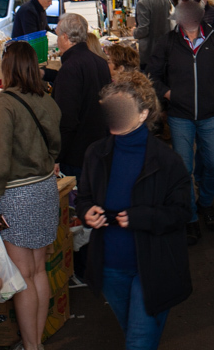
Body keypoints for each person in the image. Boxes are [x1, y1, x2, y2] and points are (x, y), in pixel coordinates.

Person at [77, 73, 193, 350]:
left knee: (139, 343)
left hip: (153, 266)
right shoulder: (96, 153)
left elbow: (181, 211)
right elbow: (84, 197)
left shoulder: (167, 161)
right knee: (134, 334)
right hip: (110, 267)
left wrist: (143, 217)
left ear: (143, 114)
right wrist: (85, 211)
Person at [0, 41, 62, 350]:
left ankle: (31, 346)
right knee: (38, 271)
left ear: (8, 68)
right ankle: (36, 342)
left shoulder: (4, 102)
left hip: (17, 194)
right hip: (45, 189)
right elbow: (56, 146)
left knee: (22, 276)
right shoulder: (47, 100)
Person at [146, 0, 214, 244]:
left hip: (211, 113)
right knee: (184, 168)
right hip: (180, 115)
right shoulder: (168, 42)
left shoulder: (213, 39)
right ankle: (190, 216)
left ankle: (205, 202)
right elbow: (153, 74)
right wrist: (169, 94)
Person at [51, 12, 110, 177]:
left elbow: (67, 118)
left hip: (76, 155)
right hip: (99, 148)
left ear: (65, 37)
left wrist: (57, 156)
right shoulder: (100, 62)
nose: (57, 41)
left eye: (57, 36)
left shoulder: (70, 68)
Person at [128, 0, 172, 70]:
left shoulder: (143, 1)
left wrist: (134, 31)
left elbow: (143, 30)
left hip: (149, 51)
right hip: (165, 47)